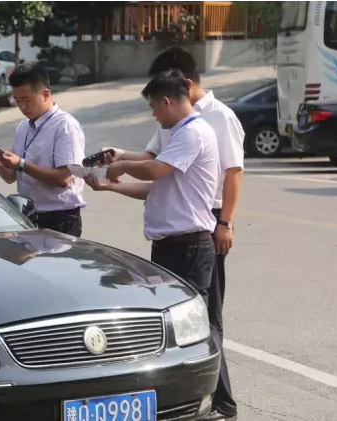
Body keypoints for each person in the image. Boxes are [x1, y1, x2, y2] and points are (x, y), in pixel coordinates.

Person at [96, 46, 242, 421]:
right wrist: (113, 183)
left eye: (153, 108)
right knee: (173, 328)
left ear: (167, 100)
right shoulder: (177, 131)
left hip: (191, 246)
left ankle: (213, 404)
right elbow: (155, 185)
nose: (152, 116)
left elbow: (157, 171)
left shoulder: (196, 131)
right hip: (170, 247)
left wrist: (123, 166)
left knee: (198, 328)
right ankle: (183, 402)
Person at [0, 62, 86, 237]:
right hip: (27, 217)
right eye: (17, 101)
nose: (22, 107)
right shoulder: (23, 127)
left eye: (26, 100)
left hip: (59, 220)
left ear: (45, 94)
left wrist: (22, 164)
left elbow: (63, 178)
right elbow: (11, 177)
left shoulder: (65, 126)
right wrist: (2, 164)